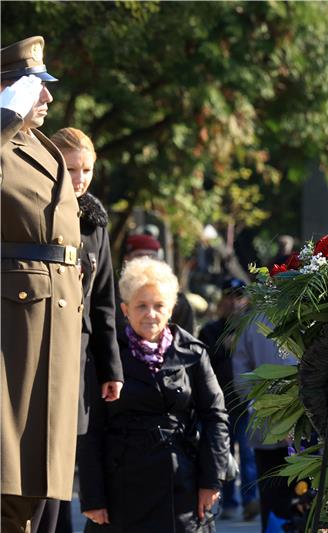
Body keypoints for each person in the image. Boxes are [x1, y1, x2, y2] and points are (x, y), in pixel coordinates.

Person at [0, 36, 84, 532]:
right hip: (12, 329)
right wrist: (4, 118)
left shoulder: (40, 147)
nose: (47, 99)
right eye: (36, 87)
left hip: (54, 328)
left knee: (34, 488)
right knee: (8, 477)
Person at [78, 257, 229, 532]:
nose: (151, 314)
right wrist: (92, 496)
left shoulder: (193, 353)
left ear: (171, 309)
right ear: (125, 309)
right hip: (120, 488)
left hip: (182, 485)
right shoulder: (105, 358)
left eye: (159, 306)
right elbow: (90, 428)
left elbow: (215, 417)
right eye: (141, 306)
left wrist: (212, 481)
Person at [29, 129, 127, 533]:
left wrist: (111, 370)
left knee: (65, 461)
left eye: (86, 169)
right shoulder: (32, 209)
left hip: (79, 360)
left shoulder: (95, 223)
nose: (80, 177)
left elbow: (103, 301)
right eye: (71, 168)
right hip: (34, 350)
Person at [198, 278, 259, 521]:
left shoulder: (252, 328)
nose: (235, 302)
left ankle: (249, 500)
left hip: (245, 400)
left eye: (239, 296)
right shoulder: (210, 330)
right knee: (222, 453)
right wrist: (223, 348)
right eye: (230, 297)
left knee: (248, 452)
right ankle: (228, 500)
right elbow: (203, 365)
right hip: (219, 403)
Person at [232, 319, 298, 533]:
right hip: (267, 424)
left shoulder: (307, 307)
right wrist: (255, 402)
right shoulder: (254, 320)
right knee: (271, 496)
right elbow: (240, 366)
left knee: (304, 497)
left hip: (304, 425)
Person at [115, 233, 196, 334]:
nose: (150, 314)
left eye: (159, 305)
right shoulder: (112, 297)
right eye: (140, 256)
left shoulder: (179, 302)